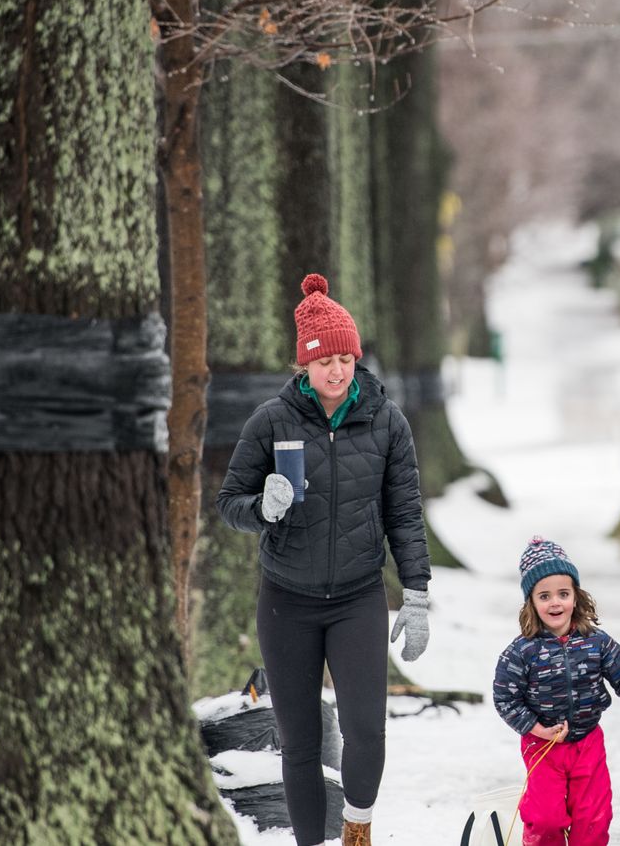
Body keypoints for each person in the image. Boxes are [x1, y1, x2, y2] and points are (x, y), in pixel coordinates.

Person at [217, 273, 432, 846]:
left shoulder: (387, 422)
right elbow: (227, 503)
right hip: (287, 600)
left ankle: (356, 827)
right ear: (303, 365)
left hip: (359, 597)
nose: (337, 371)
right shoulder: (271, 421)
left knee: (367, 731)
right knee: (301, 741)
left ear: (355, 358)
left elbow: (406, 515)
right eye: (324, 360)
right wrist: (261, 507)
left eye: (345, 358)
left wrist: (415, 596)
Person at [492, 537, 620, 846]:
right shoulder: (521, 652)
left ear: (576, 597)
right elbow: (505, 697)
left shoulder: (597, 642)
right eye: (544, 596)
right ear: (531, 602)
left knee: (593, 818)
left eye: (563, 594)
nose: (555, 603)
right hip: (542, 748)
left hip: (588, 743)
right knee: (546, 818)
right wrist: (536, 729)